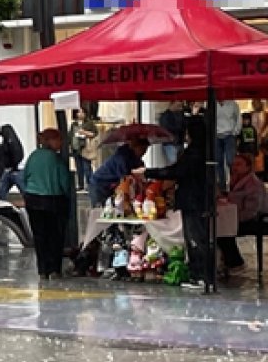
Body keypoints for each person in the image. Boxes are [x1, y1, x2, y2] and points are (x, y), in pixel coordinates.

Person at [138, 116, 211, 289]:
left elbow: (177, 171)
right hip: (196, 199)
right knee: (196, 236)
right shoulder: (203, 150)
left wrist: (149, 172)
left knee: (195, 237)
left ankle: (199, 275)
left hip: (193, 200)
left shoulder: (195, 152)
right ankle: (199, 273)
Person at [23, 129, 74, 279]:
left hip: (33, 199)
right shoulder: (56, 160)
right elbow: (64, 183)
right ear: (50, 140)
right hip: (53, 200)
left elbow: (25, 176)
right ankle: (54, 269)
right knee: (55, 236)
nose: (61, 143)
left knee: (39, 236)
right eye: (58, 139)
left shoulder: (33, 156)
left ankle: (42, 269)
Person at [221, 154, 262, 278]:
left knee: (223, 230)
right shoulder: (237, 180)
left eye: (239, 165)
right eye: (234, 164)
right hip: (236, 216)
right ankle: (227, 261)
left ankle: (235, 262)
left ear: (248, 167)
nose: (235, 167)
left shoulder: (253, 184)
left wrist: (235, 219)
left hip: (252, 220)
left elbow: (252, 209)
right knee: (221, 226)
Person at [88, 137, 148, 209]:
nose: (144, 153)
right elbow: (125, 177)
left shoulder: (136, 159)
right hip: (99, 185)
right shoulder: (121, 157)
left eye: (146, 150)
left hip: (111, 186)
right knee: (99, 210)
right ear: (134, 147)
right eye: (142, 149)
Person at [69, 109, 98, 191]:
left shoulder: (89, 123)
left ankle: (90, 184)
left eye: (82, 112)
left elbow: (95, 133)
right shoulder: (73, 124)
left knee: (87, 167)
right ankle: (80, 184)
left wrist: (84, 132)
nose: (80, 114)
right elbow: (70, 135)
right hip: (76, 148)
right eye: (79, 112)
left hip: (85, 148)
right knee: (79, 168)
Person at [216, 99, 240, 191]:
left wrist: (235, 132)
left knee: (231, 161)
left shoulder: (233, 104)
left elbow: (238, 118)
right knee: (218, 162)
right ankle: (222, 187)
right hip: (217, 135)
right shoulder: (212, 103)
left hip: (229, 135)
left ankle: (234, 185)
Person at [0, 124, 25, 199]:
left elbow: (17, 155)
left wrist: (13, 166)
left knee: (2, 191)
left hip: (14, 170)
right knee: (2, 191)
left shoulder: (10, 142)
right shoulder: (10, 141)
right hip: (11, 169)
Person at [159, 101, 186, 165]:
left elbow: (184, 125)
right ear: (172, 104)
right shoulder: (165, 116)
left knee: (180, 164)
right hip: (170, 143)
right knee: (173, 163)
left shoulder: (180, 114)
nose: (180, 108)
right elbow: (165, 128)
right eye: (178, 105)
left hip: (179, 142)